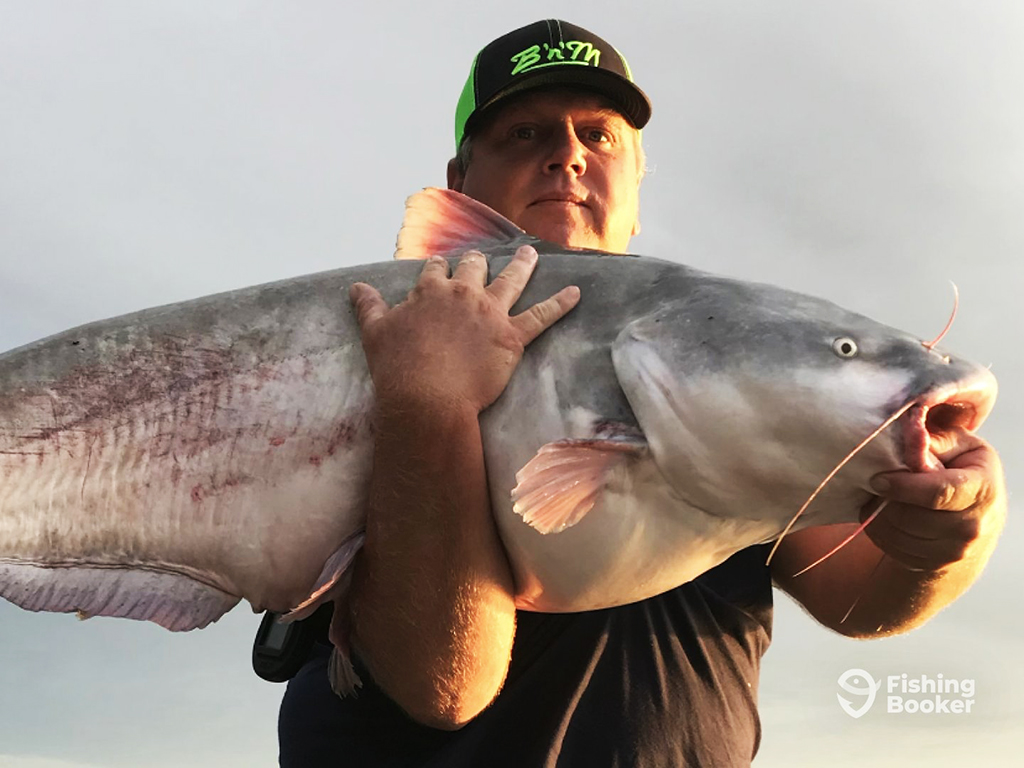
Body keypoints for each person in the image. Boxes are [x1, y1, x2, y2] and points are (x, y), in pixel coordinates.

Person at [278, 19, 1006, 766]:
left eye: (600, 137)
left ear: (635, 181)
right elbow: (442, 684)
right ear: (457, 186)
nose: (567, 156)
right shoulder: (371, 342)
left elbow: (861, 595)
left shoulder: (737, 371)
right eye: (525, 134)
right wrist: (424, 409)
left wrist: (949, 540)